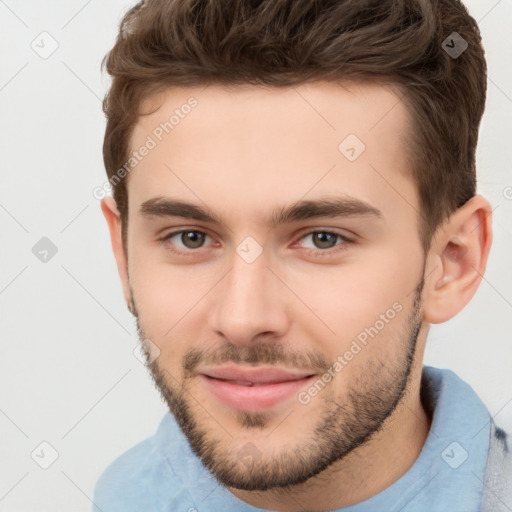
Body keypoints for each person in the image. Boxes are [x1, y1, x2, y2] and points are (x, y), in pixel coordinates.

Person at [93, 0, 511, 510]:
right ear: (124, 254)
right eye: (191, 238)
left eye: (322, 239)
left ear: (452, 261)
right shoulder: (120, 496)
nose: (243, 319)